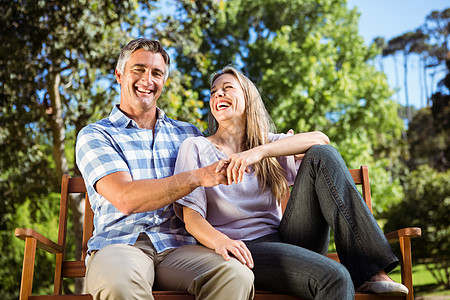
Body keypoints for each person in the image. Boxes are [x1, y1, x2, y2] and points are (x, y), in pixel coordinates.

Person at [173, 65, 409, 299]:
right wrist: (222, 243)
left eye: (227, 88)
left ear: (248, 98)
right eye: (214, 92)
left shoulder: (266, 145)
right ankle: (363, 273)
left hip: (286, 240)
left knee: (322, 155)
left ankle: (371, 271)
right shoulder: (195, 147)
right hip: (244, 247)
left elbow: (321, 140)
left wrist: (258, 152)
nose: (218, 94)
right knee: (336, 276)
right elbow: (192, 219)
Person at [75, 40, 254, 300]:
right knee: (120, 286)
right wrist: (196, 177)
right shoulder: (97, 135)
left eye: (156, 73)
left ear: (163, 82)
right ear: (119, 74)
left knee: (236, 275)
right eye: (138, 69)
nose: (147, 79)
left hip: (180, 249)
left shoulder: (188, 134)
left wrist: (271, 145)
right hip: (120, 245)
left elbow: (230, 151)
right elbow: (125, 198)